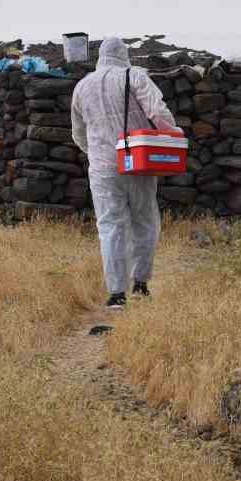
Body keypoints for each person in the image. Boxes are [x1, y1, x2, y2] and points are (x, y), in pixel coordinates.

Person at [70, 36, 179, 309]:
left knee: (109, 226)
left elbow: (78, 133)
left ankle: (116, 294)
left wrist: (94, 153)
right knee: (144, 220)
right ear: (124, 54)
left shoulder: (82, 86)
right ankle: (140, 284)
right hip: (138, 162)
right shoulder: (135, 76)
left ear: (100, 56)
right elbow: (158, 112)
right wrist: (174, 135)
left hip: (103, 168)